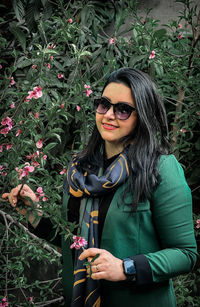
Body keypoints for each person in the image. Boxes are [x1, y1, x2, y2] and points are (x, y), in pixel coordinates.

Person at [2, 68, 197, 307]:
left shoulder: (161, 169)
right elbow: (74, 240)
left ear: (142, 116)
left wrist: (126, 267)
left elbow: (186, 254)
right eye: (104, 104)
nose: (109, 115)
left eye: (123, 109)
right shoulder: (80, 170)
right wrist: (34, 213)